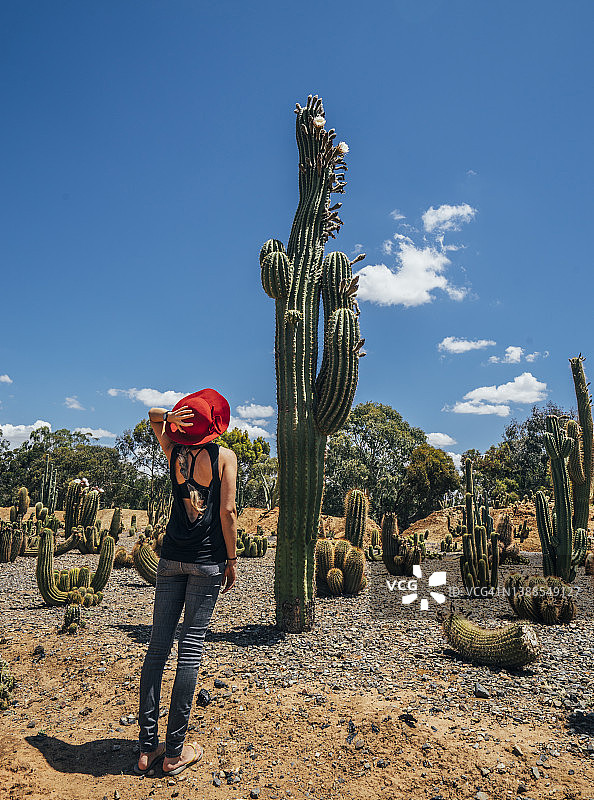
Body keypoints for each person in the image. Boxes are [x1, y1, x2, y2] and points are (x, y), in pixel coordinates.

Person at [135, 388, 238, 777]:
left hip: (170, 559)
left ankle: (146, 750)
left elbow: (152, 413)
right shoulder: (224, 457)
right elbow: (227, 511)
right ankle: (175, 752)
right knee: (190, 651)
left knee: (157, 648)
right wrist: (231, 559)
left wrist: (169, 418)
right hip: (207, 562)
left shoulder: (174, 452)